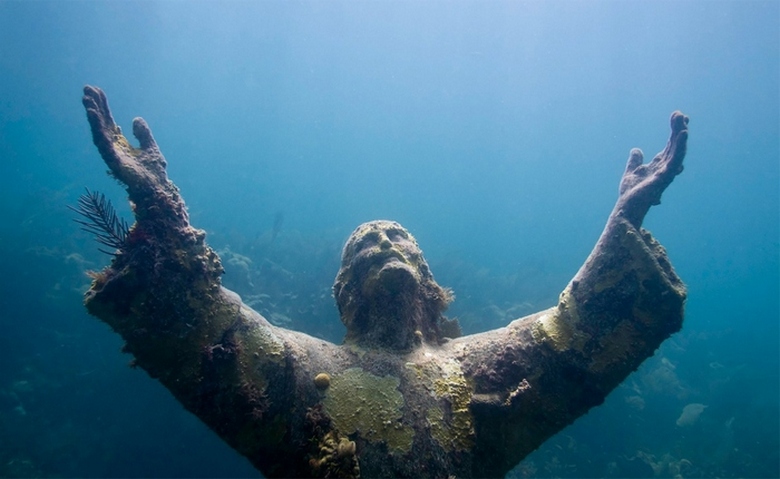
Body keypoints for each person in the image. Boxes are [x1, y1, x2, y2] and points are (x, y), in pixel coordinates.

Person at [79, 85, 688, 478]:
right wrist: (161, 211)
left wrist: (620, 226)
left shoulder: (477, 370)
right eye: (364, 246)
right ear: (344, 290)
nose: (383, 245)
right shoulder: (301, 370)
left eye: (397, 238)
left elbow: (572, 337)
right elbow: (209, 334)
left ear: (428, 280)